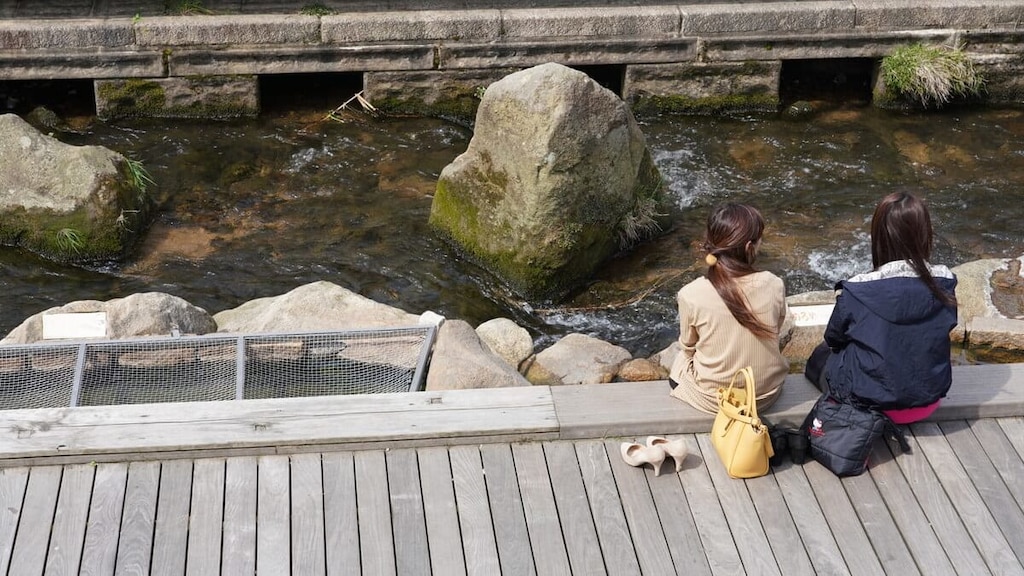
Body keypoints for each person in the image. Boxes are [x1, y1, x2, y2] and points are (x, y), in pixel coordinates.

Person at [804, 191, 958, 424]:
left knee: (821, 355)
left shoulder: (858, 290)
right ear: (925, 234)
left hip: (870, 405)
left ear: (879, 236)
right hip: (928, 401)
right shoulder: (944, 283)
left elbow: (834, 338)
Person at [669, 203, 789, 414]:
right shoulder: (774, 283)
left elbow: (688, 347)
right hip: (765, 396)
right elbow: (776, 330)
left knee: (679, 362)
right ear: (748, 247)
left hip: (715, 401)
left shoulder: (690, 293)